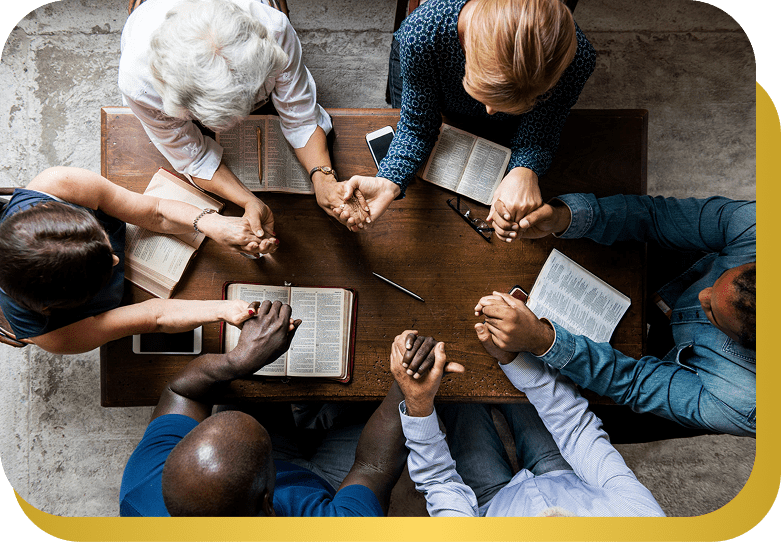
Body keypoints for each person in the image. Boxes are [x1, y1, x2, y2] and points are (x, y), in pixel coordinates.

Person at [475, 193, 756, 436]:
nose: (702, 295)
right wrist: (564, 217)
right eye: (717, 281)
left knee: (599, 420)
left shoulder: (744, 401)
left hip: (694, 376)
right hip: (680, 270)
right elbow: (655, 216)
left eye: (713, 314)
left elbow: (634, 382)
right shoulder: (760, 227)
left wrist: (542, 340)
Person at [120, 300, 407, 516]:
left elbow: (180, 391)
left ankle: (311, 415)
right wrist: (407, 383)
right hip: (331, 483)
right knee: (393, 404)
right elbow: (372, 467)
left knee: (246, 389)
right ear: (268, 504)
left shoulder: (143, 492)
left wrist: (238, 360)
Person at [336, 0, 596, 239]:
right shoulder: (423, 33)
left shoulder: (577, 59)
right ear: (467, 45)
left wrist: (524, 170)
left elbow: (545, 123)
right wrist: (389, 181)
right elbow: (417, 125)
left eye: (518, 102)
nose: (491, 112)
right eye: (483, 91)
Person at [119, 0, 366, 238]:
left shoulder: (274, 28)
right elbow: (193, 157)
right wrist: (248, 200)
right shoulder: (138, 84)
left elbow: (300, 116)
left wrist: (323, 179)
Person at [390, 329, 665, 517]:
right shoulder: (642, 519)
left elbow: (440, 481)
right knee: (519, 369)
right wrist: (513, 358)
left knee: (456, 384)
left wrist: (419, 403)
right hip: (566, 476)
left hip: (490, 503)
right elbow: (576, 428)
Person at [0, 167, 270, 354]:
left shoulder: (57, 185)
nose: (116, 259)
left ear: (54, 209)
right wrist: (224, 309)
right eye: (103, 272)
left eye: (103, 239)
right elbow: (155, 316)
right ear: (54, 306)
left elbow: (155, 211)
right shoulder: (55, 336)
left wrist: (211, 222)